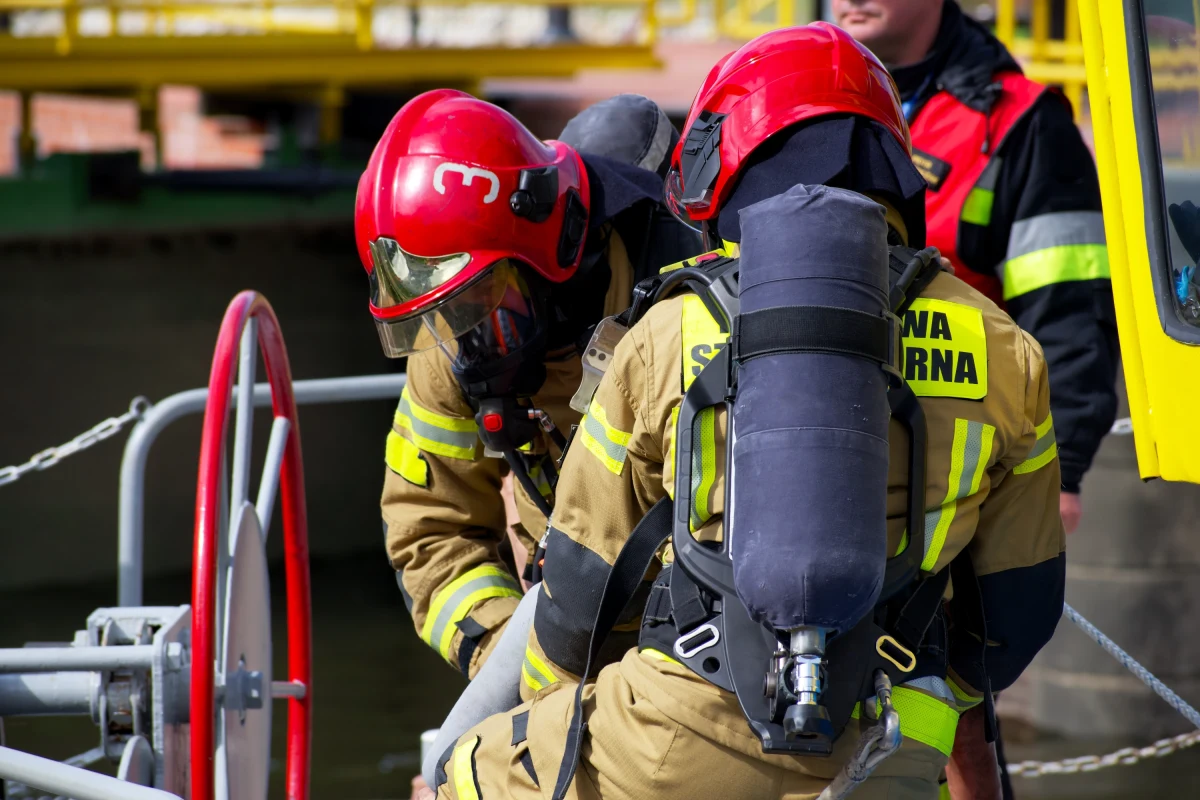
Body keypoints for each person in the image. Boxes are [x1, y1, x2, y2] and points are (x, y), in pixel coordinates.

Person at [430, 24, 1065, 800]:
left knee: (453, 775)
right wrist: (930, 703)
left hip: (669, 747)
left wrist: (545, 718)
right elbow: (1021, 609)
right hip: (887, 750)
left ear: (731, 161)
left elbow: (579, 589)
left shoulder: (668, 331)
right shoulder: (1004, 348)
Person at [357, 89, 701, 682]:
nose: (461, 334)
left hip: (698, 664)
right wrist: (505, 659)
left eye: (478, 302)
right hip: (556, 659)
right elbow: (431, 526)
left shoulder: (689, 305)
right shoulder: (452, 331)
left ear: (545, 254)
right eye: (441, 314)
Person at [834, 0, 1119, 535]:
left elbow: (1069, 311)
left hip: (957, 475)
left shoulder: (1021, 122)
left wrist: (1063, 472)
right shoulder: (792, 97)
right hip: (805, 440)